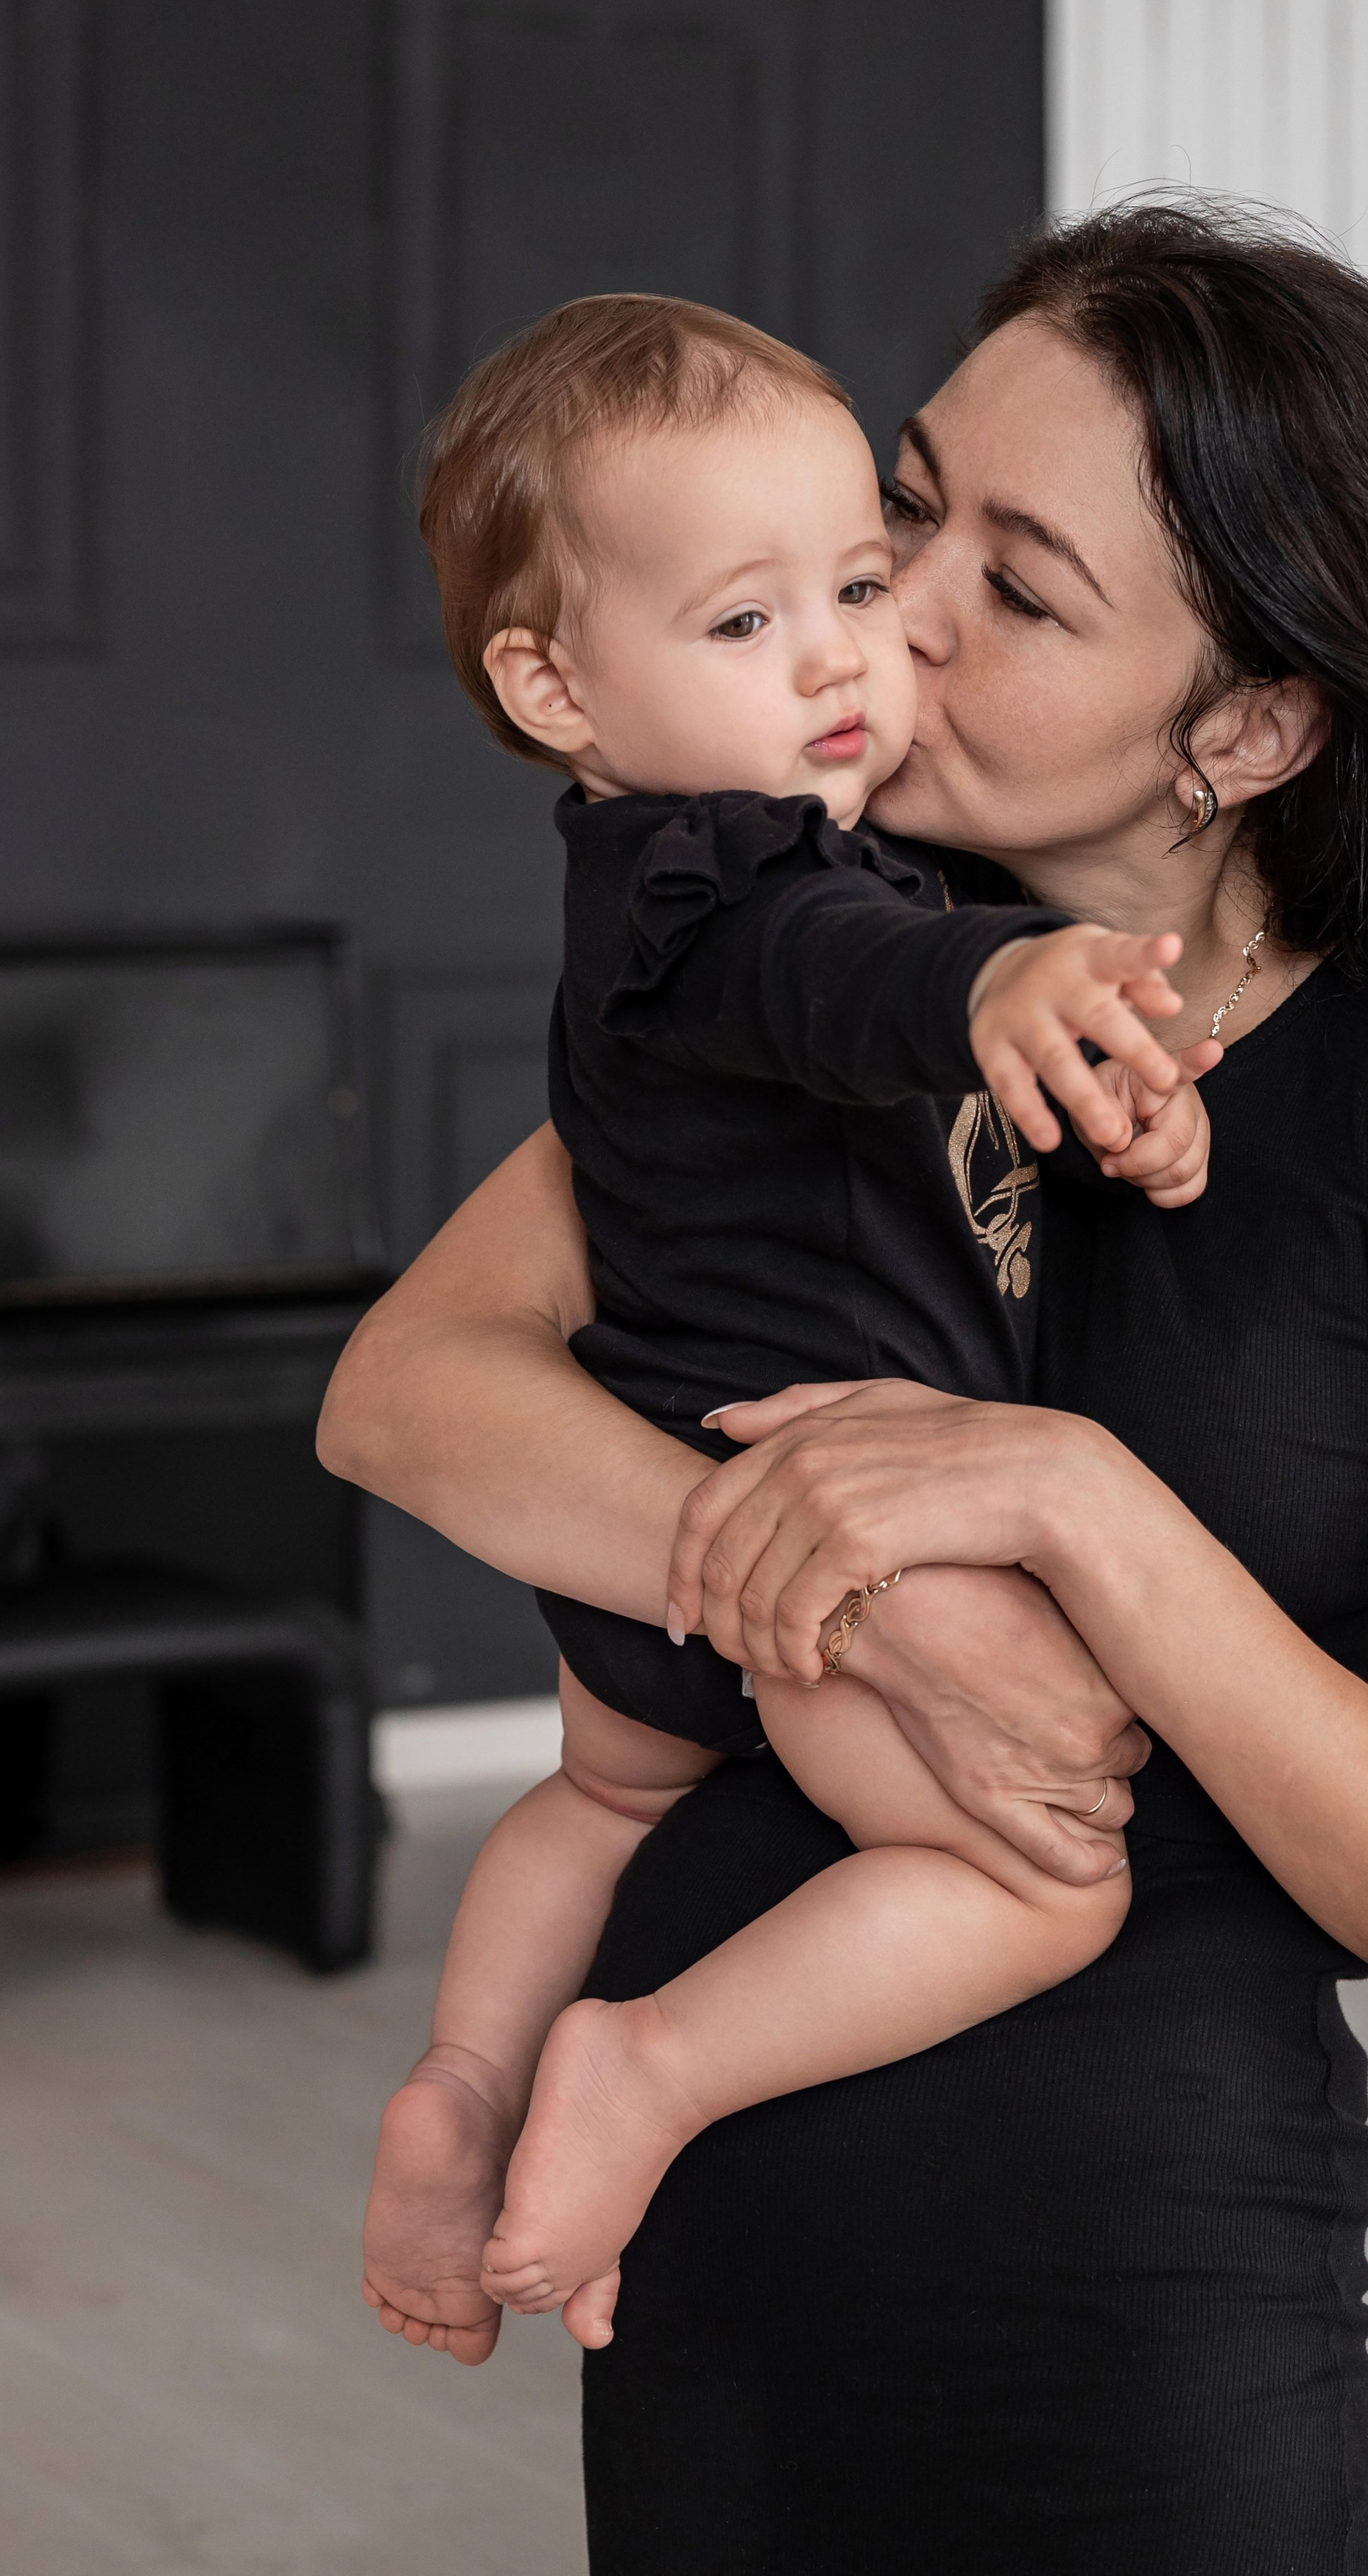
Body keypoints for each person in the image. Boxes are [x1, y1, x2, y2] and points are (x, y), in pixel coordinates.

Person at [320, 199, 1368, 2576]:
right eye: (904, 514)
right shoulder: (809, 974)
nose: (891, 621)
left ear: (1247, 730)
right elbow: (410, 1398)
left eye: (1019, 579)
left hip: (1124, 2357)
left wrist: (1077, 1513)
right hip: (718, 2296)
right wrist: (806, 1584)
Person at [359, 289, 1221, 2349]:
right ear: (552, 682)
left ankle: (462, 2087)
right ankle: (650, 2063)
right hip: (821, 1526)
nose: (845, 652)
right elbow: (841, 982)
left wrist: (1105, 1108)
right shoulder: (724, 885)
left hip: (647, 1509)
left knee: (599, 1799)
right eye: (745, 624)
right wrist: (1009, 991)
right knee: (1046, 1880)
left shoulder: (657, 889)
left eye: (856, 577)